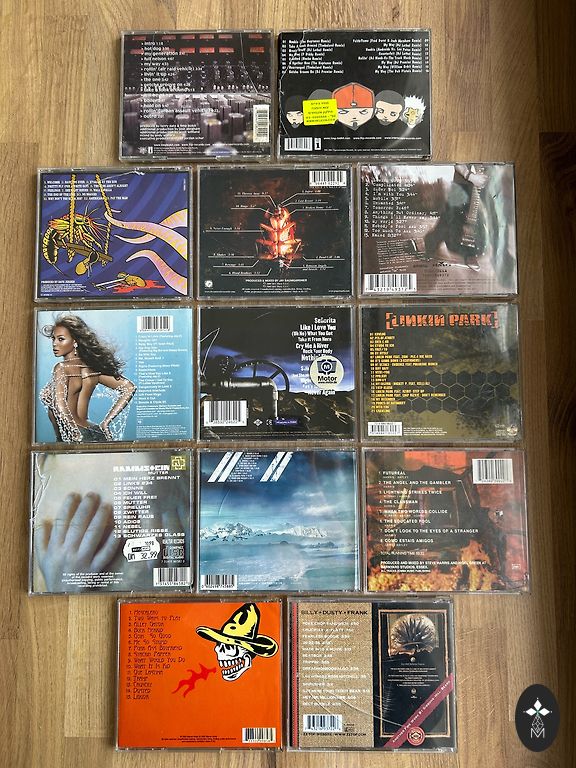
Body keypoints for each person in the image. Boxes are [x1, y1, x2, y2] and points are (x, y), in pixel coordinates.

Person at [40, 314, 136, 442]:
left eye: (60, 339)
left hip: (74, 434)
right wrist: (105, 423)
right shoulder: (93, 368)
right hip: (96, 431)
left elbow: (59, 406)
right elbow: (129, 388)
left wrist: (69, 435)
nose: (54, 344)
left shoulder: (61, 368)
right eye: (53, 339)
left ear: (75, 342)